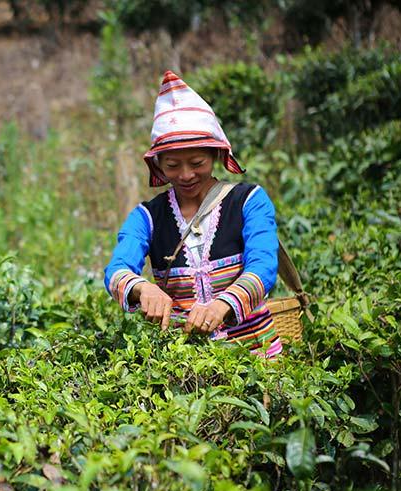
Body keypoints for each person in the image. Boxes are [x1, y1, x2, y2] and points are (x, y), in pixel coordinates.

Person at [104, 71, 282, 358]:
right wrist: (142, 289)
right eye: (173, 165)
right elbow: (117, 270)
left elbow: (263, 266)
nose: (186, 175)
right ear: (158, 165)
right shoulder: (146, 217)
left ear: (214, 155)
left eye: (197, 162)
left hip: (257, 359)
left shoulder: (249, 201)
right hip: (186, 366)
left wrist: (222, 305)